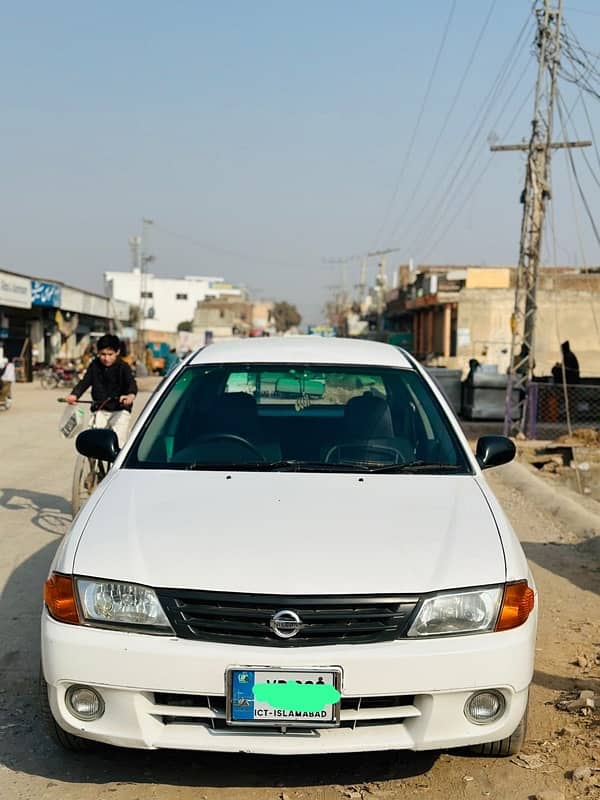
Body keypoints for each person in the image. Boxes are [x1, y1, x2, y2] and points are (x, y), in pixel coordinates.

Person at [65, 334, 138, 448]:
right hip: (100, 409)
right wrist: (75, 394)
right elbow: (85, 381)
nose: (106, 358)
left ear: (117, 352)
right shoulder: (94, 365)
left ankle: (116, 464)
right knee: (92, 443)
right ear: (98, 352)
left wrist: (130, 396)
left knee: (118, 443)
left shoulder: (123, 367)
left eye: (110, 354)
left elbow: (131, 384)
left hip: (120, 410)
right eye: (103, 354)